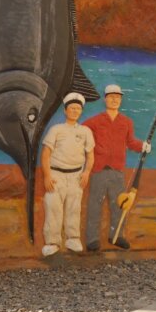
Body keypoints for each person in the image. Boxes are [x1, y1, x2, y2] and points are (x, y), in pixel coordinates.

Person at [82, 83, 150, 251]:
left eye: (118, 98)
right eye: (111, 97)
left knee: (118, 205)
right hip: (98, 169)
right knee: (94, 205)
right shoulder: (95, 120)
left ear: (121, 100)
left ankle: (117, 235)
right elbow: (81, 133)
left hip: (117, 171)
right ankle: (92, 240)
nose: (115, 100)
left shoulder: (126, 122)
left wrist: (143, 146)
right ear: (105, 99)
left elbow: (131, 142)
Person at [39, 92, 95, 256]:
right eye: (72, 108)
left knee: (74, 208)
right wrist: (47, 176)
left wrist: (86, 173)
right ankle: (52, 242)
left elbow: (90, 156)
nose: (75, 111)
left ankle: (73, 239)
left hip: (76, 176)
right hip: (56, 175)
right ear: (65, 111)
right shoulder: (56, 129)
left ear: (81, 111)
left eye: (78, 109)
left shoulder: (85, 131)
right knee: (53, 208)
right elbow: (45, 155)